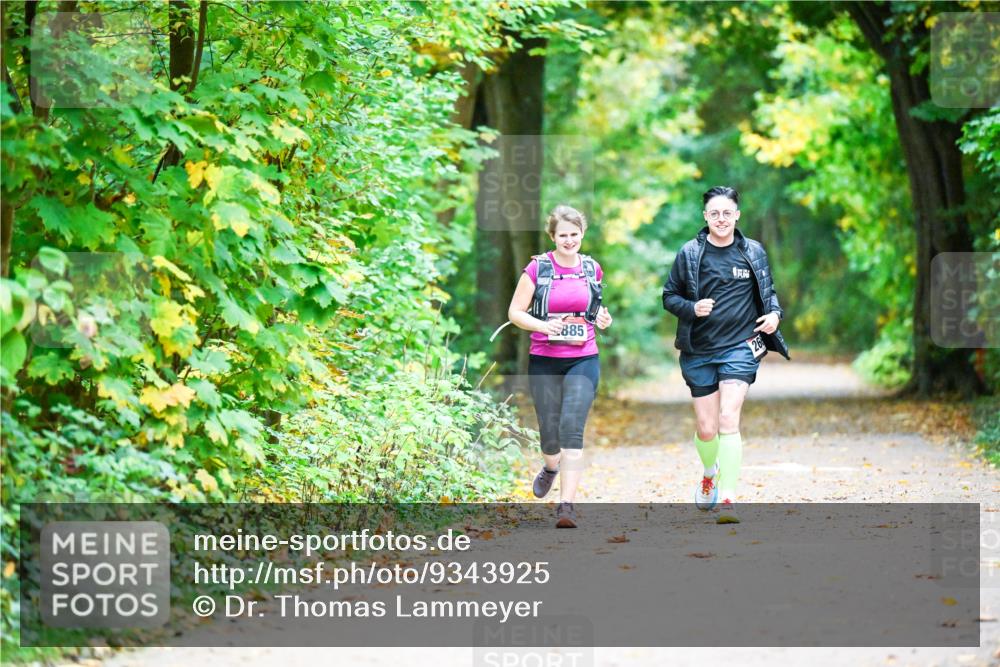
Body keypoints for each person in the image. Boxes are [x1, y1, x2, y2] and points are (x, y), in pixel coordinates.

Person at [662, 186, 789, 523]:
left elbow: (769, 293)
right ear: (705, 216)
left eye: (727, 212)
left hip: (741, 347)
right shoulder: (690, 253)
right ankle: (709, 473)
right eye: (714, 213)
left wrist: (775, 315)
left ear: (737, 215)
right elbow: (669, 296)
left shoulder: (753, 252)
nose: (721, 218)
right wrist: (692, 307)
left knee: (728, 419)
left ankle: (729, 498)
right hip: (699, 350)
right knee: (706, 428)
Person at [507, 205, 612, 528]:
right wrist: (542, 326)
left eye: (574, 234)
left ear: (582, 234)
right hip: (544, 360)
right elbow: (515, 312)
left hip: (583, 358)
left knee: (571, 428)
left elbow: (594, 309)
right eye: (563, 235)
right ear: (552, 236)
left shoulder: (592, 269)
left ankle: (566, 506)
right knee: (550, 437)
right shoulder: (537, 269)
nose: (569, 240)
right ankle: (550, 467)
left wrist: (603, 318)